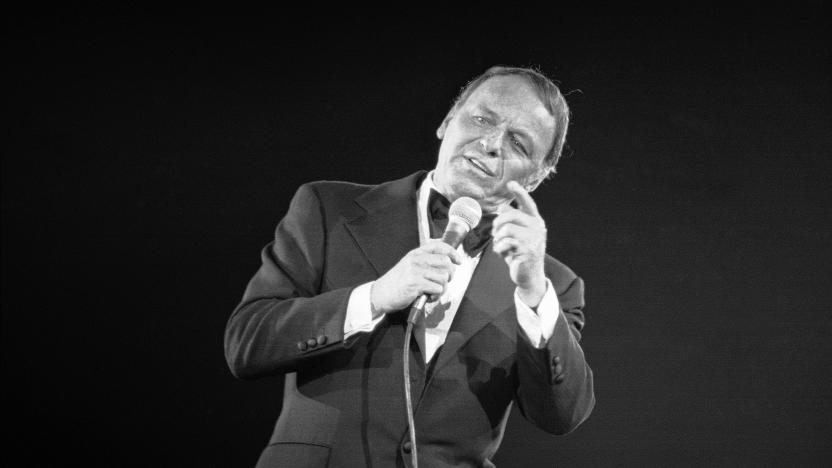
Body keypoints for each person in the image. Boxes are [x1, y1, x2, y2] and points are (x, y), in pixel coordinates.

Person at [225, 65, 595, 468]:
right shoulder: (328, 209)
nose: (490, 143)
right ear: (446, 123)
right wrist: (375, 297)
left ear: (536, 179)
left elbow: (561, 416)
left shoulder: (553, 286)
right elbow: (246, 343)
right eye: (481, 118)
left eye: (519, 144)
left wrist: (532, 294)